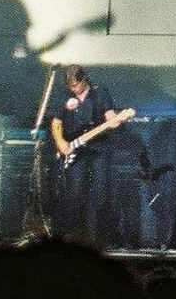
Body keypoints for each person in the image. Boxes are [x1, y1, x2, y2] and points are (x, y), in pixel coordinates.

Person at [49, 64, 120, 245]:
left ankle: (99, 237)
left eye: (76, 84)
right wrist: (60, 142)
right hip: (75, 148)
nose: (74, 88)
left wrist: (114, 121)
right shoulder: (66, 97)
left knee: (100, 192)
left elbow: (109, 114)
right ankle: (73, 235)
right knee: (75, 192)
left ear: (84, 79)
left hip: (99, 148)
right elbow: (57, 122)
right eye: (70, 85)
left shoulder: (99, 93)